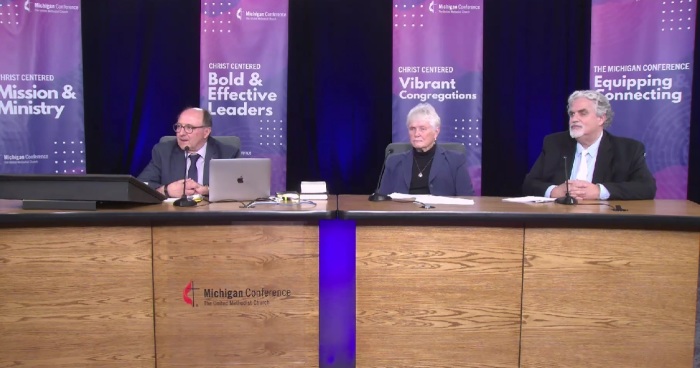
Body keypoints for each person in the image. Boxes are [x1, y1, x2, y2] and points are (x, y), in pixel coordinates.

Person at [523, 90, 656, 200]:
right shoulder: (554, 144)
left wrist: (599, 191)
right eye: (572, 114)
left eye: (583, 113)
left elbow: (646, 187)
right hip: (559, 220)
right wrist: (554, 191)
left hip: (604, 223)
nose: (574, 119)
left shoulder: (628, 150)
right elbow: (529, 184)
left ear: (601, 118)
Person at [137, 107, 240, 198]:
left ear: (206, 132)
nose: (181, 133)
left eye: (189, 128)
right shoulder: (163, 151)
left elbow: (240, 187)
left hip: (214, 216)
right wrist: (166, 190)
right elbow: (140, 186)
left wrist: (208, 190)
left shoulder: (227, 153)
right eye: (179, 127)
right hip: (173, 215)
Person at [377, 102, 474, 196]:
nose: (416, 134)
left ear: (436, 132)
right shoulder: (393, 161)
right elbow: (382, 200)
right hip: (404, 212)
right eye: (412, 128)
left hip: (440, 212)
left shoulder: (455, 161)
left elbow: (467, 200)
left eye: (422, 128)